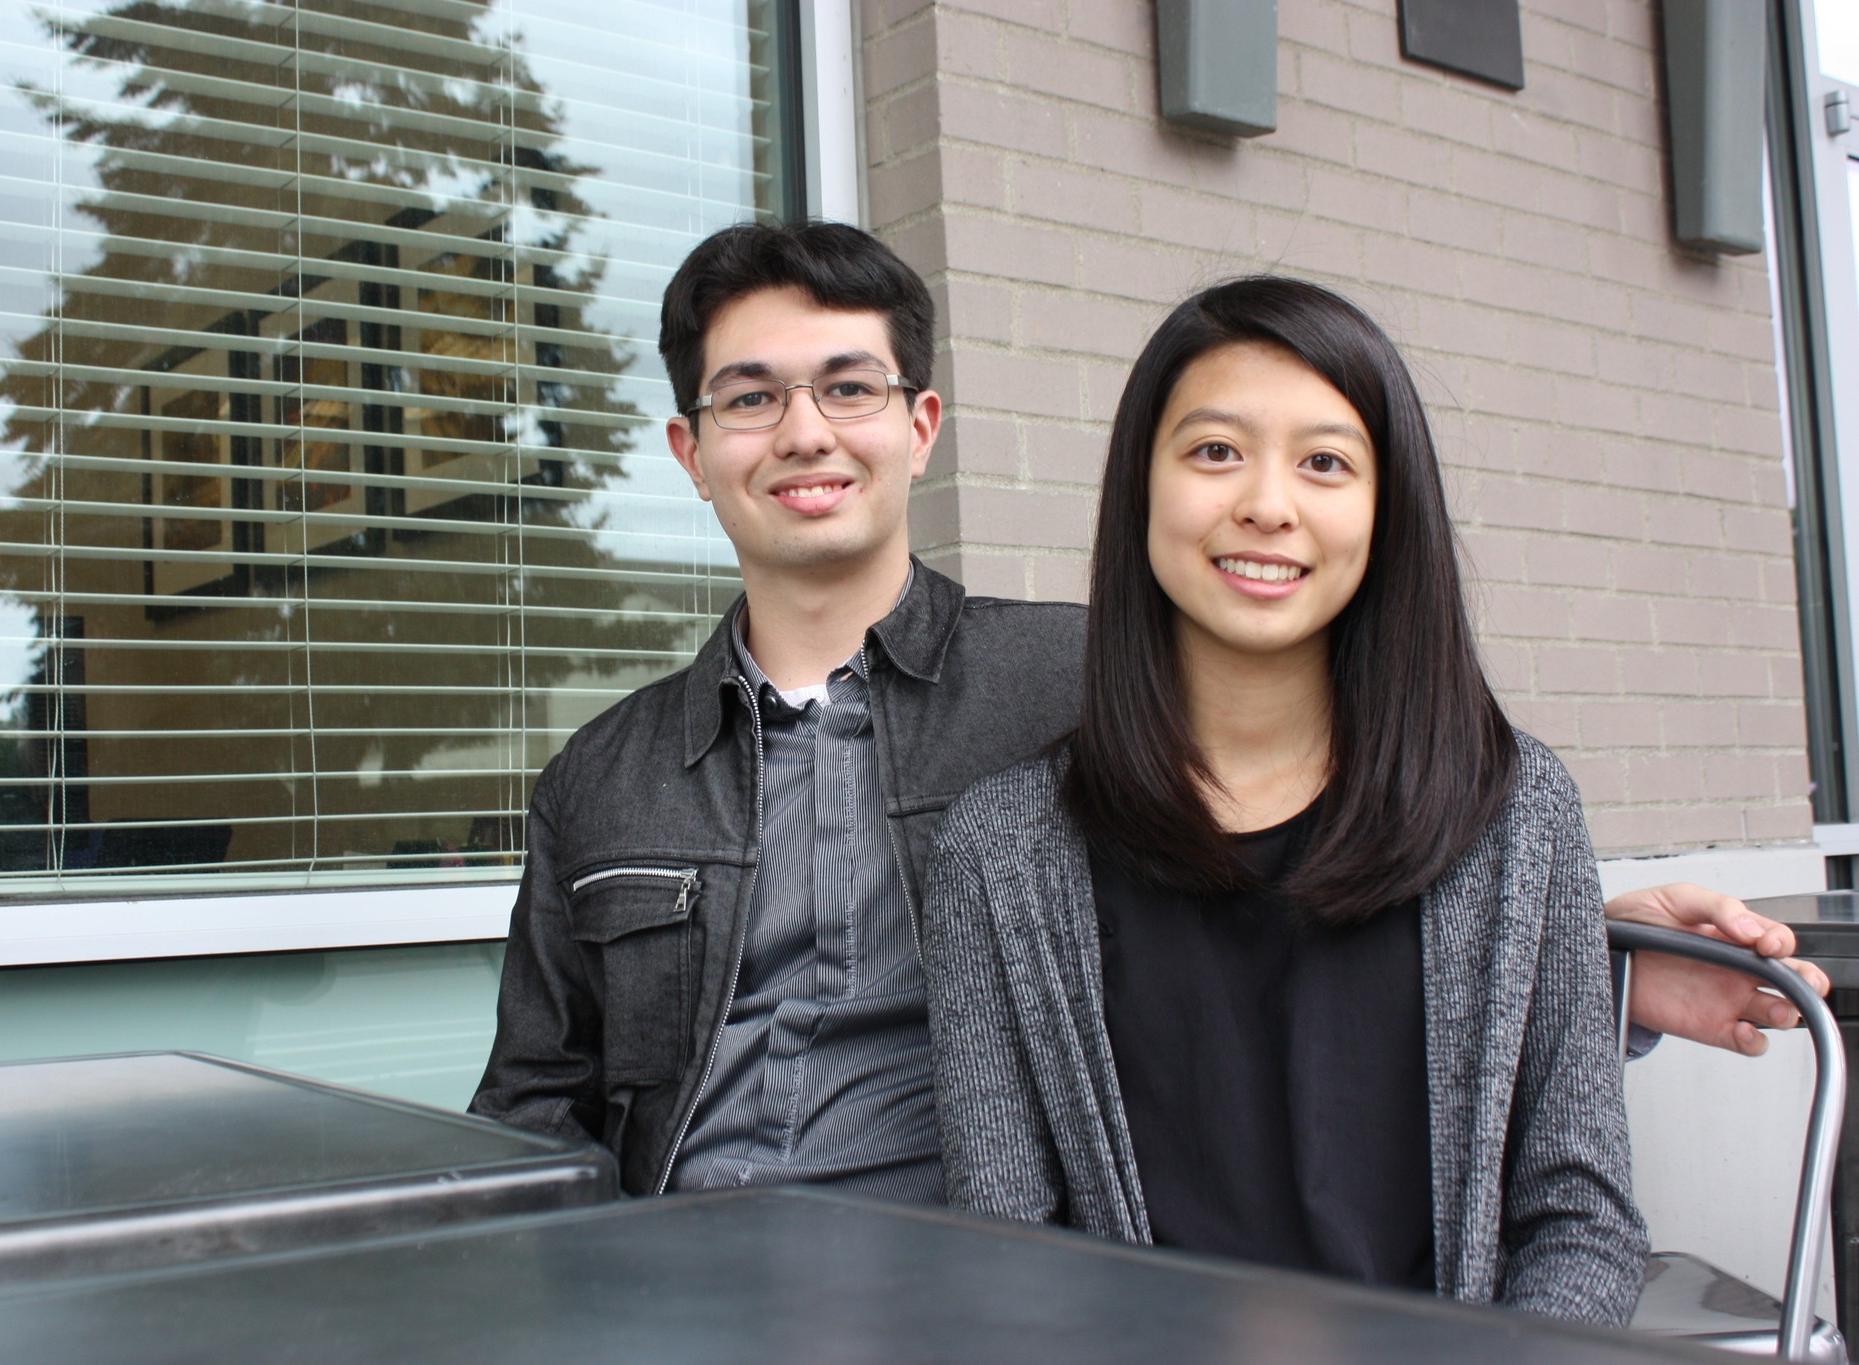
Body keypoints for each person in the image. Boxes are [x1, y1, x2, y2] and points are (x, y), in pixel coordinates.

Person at [470, 221, 1825, 1204]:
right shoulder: (602, 777)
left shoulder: (1083, 688)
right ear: (689, 451)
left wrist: (1599, 951)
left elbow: (1307, 877)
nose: (805, 431)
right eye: (750, 397)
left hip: (979, 1282)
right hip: (678, 1292)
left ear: (923, 423)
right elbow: (536, 1111)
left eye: (850, 387)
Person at [922, 276, 1658, 1323]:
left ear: (1384, 507)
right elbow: (1002, 1249)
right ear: (1140, 485)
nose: (1267, 503)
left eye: (1324, 462)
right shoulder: (1002, 851)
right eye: (1214, 451)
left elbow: (1577, 1215)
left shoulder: (1512, 811)